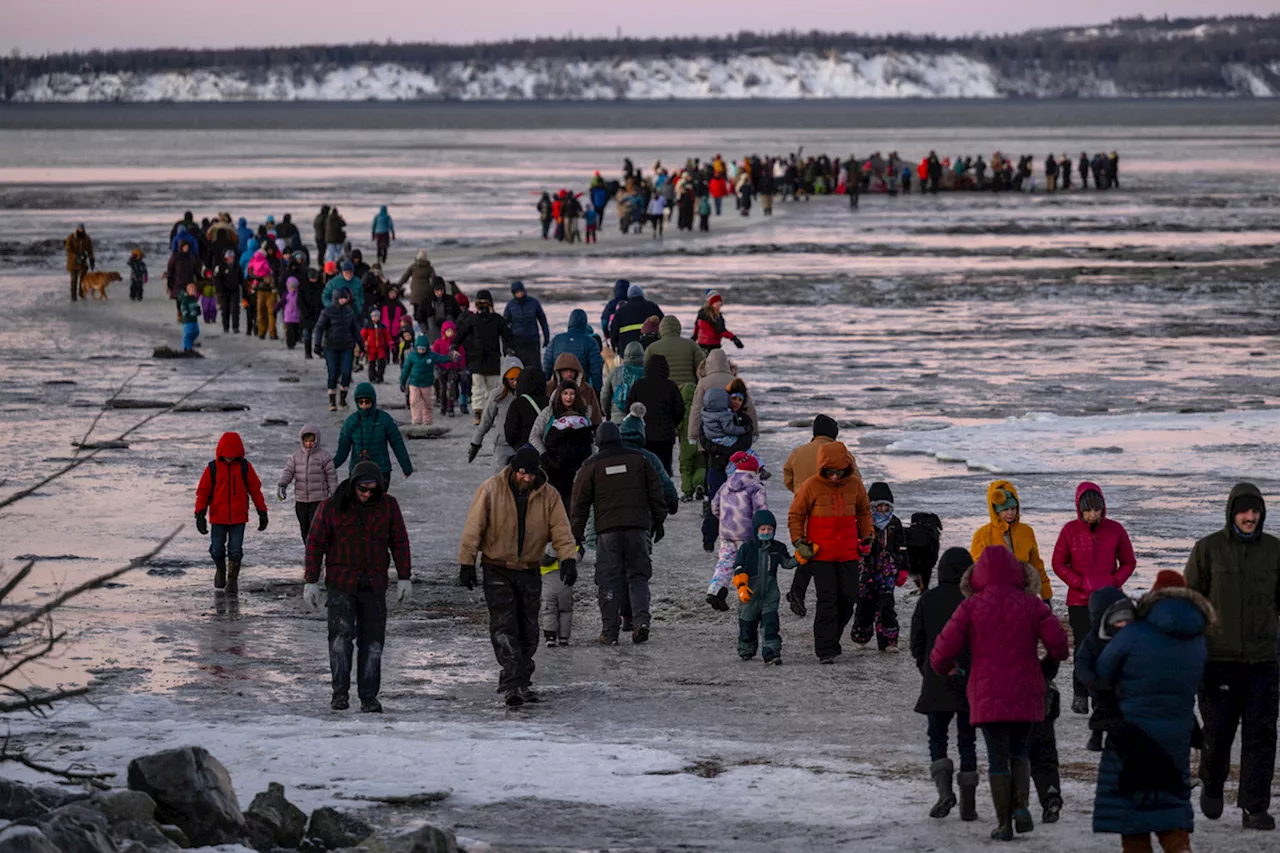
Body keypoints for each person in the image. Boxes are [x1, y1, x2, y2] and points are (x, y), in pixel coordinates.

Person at [931, 546, 1070, 842]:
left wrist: (948, 669)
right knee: (1020, 752)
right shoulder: (1032, 604)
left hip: (987, 692)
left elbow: (941, 653)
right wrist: (1045, 663)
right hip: (1026, 689)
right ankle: (1020, 807)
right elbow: (1059, 644)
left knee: (997, 757)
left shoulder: (970, 606)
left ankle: (1004, 824)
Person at [1092, 570, 1213, 852]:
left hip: (1132, 733)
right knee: (1171, 806)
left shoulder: (1134, 634)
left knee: (1133, 815)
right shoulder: (1198, 639)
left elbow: (1104, 670)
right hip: (1177, 733)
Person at [1184, 482, 1280, 830]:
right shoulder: (1208, 549)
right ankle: (1211, 783)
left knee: (1262, 735)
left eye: (1255, 511)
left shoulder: (1275, 550)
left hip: (1264, 661)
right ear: (1232, 513)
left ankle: (1254, 807)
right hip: (1218, 660)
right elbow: (1190, 603)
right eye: (1244, 511)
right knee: (1218, 732)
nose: (1250, 517)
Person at [459, 446, 578, 706]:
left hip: (529, 569)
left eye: (532, 474)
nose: (527, 479)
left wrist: (568, 558)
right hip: (496, 566)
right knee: (504, 626)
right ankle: (514, 684)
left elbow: (560, 528)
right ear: (514, 470)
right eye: (523, 473)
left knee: (529, 630)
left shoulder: (549, 495)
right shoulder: (490, 489)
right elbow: (473, 527)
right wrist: (466, 562)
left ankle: (521, 679)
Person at [303, 460, 411, 713]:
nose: (366, 494)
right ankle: (340, 693)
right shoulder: (331, 507)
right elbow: (315, 543)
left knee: (373, 644)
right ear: (353, 485)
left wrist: (404, 576)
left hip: (374, 584)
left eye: (372, 489)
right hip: (341, 584)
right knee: (340, 641)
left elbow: (400, 541)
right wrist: (311, 580)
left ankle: (369, 697)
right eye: (362, 489)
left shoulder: (388, 506)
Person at [570, 422, 667, 646]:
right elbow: (656, 491)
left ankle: (610, 631)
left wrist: (576, 534)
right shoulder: (639, 459)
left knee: (608, 580)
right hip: (637, 529)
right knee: (638, 577)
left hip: (608, 532)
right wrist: (658, 521)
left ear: (598, 441)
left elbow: (579, 504)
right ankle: (641, 621)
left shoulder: (590, 465)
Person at [1051, 482, 1137, 715]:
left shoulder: (1116, 529)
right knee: (1082, 646)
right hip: (1079, 601)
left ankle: (1107, 695)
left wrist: (1113, 582)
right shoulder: (1069, 530)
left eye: (1096, 510)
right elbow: (1058, 563)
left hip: (1110, 601)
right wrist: (1079, 582)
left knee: (1110, 646)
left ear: (1103, 508)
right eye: (1087, 510)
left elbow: (1129, 562)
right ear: (1079, 509)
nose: (1092, 515)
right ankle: (1080, 694)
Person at [787, 441, 873, 664]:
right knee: (828, 601)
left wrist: (867, 535)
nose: (835, 476)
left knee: (849, 599)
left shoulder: (855, 485)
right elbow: (796, 515)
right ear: (822, 468)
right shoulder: (811, 486)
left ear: (847, 467)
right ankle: (825, 650)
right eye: (830, 471)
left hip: (848, 553)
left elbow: (864, 511)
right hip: (821, 554)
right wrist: (799, 541)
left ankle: (832, 639)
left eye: (839, 471)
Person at [911, 547, 979, 822]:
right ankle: (968, 805)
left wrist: (926, 668)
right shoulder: (975, 600)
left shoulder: (927, 600)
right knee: (968, 741)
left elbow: (917, 642)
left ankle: (944, 792)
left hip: (937, 679)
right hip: (969, 680)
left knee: (937, 737)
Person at [782, 415, 851, 616]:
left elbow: (788, 478)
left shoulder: (798, 452)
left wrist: (799, 493)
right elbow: (855, 482)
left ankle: (797, 591)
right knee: (825, 555)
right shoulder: (842, 455)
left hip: (803, 512)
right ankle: (812, 594)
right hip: (831, 513)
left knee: (810, 550)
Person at [194, 432, 269, 596]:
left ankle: (232, 579)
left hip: (238, 517)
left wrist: (262, 511)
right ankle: (220, 569)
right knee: (216, 549)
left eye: (233, 456)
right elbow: (203, 492)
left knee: (235, 550)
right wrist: (200, 514)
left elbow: (255, 490)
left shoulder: (244, 467)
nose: (229, 459)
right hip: (218, 517)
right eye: (227, 456)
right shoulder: (212, 468)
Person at [644, 315, 705, 498]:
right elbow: (703, 368)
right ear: (678, 328)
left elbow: (646, 375)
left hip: (662, 402)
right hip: (688, 397)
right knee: (690, 444)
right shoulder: (692, 346)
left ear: (661, 330)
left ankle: (665, 483)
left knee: (664, 446)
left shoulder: (652, 348)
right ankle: (695, 481)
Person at [730, 510, 796, 664]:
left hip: (769, 594)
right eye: (763, 529)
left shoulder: (778, 548)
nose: (766, 532)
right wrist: (741, 586)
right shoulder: (747, 548)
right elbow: (739, 568)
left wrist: (800, 558)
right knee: (748, 625)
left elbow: (786, 563)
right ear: (756, 530)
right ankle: (746, 648)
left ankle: (771, 652)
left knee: (771, 625)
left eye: (769, 529)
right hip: (750, 594)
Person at [851, 482, 910, 652]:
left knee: (886, 605)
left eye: (886, 506)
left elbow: (902, 547)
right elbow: (855, 544)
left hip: (888, 571)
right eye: (878, 506)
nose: (883, 509)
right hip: (867, 570)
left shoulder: (895, 523)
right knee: (865, 604)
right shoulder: (863, 522)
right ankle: (861, 635)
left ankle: (889, 641)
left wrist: (904, 568)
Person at [971, 480, 1052, 601]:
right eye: (1005, 509)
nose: (1010, 513)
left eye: (1013, 508)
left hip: (1024, 594)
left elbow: (1037, 565)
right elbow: (976, 570)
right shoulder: (983, 534)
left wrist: (1046, 595)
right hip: (995, 598)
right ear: (996, 511)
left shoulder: (1027, 531)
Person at [707, 452, 768, 611]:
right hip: (747, 534)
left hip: (726, 532)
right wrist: (763, 531)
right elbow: (761, 512)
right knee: (749, 565)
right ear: (754, 470)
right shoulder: (756, 487)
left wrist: (724, 520)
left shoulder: (725, 484)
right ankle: (749, 596)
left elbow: (714, 506)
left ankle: (715, 591)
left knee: (725, 563)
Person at [454, 289, 514, 426]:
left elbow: (507, 335)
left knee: (492, 389)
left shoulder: (498, 320)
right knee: (477, 388)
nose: (483, 306)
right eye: (480, 303)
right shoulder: (472, 319)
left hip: (492, 359)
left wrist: (508, 348)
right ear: (476, 304)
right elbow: (461, 334)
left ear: (491, 304)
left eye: (485, 303)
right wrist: (454, 346)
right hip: (476, 360)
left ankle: (490, 414)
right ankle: (478, 413)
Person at [334, 383, 413, 487]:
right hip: (358, 470)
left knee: (379, 502)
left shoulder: (384, 419)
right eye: (360, 402)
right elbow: (343, 450)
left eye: (367, 402)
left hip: (381, 470)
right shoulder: (350, 422)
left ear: (373, 401)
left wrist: (406, 467)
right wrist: (330, 466)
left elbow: (397, 444)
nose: (364, 406)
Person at [624, 354, 684, 475]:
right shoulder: (671, 386)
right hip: (665, 436)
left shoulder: (638, 385)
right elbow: (680, 410)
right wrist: (671, 424)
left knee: (644, 470)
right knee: (664, 470)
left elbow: (629, 409)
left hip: (643, 434)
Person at [278, 424, 338, 542]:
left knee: (316, 527)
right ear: (302, 440)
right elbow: (288, 472)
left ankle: (319, 550)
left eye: (312, 440)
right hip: (301, 500)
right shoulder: (295, 457)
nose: (309, 443)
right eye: (306, 441)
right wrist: (283, 484)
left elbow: (331, 477)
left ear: (317, 440)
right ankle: (309, 551)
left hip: (318, 500)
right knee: (304, 528)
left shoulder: (324, 456)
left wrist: (334, 494)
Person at [469, 356, 524, 471]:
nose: (514, 383)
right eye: (511, 379)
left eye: (517, 379)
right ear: (505, 378)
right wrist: (475, 443)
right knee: (499, 482)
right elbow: (486, 421)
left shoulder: (527, 394)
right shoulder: (497, 395)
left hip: (523, 444)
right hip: (503, 445)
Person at [313, 287, 364, 411]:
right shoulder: (327, 312)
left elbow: (355, 329)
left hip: (347, 346)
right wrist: (317, 344)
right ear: (335, 299)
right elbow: (319, 328)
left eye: (345, 298)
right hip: (330, 347)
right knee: (333, 374)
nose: (343, 300)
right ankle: (332, 402)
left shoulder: (349, 312)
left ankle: (342, 399)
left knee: (346, 373)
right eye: (341, 298)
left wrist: (361, 344)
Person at [542, 309, 604, 392]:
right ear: (585, 323)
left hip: (559, 387)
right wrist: (597, 391)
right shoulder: (590, 342)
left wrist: (545, 387)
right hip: (581, 388)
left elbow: (547, 366)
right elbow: (596, 370)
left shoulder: (556, 340)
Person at [539, 353, 603, 430]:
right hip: (554, 433)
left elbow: (595, 417)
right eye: (565, 371)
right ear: (559, 372)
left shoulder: (586, 389)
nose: (569, 374)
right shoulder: (549, 387)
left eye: (572, 371)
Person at [503, 282, 550, 372]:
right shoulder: (510, 305)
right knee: (520, 368)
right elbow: (505, 326)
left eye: (521, 291)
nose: (519, 293)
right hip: (517, 342)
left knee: (535, 367)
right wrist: (506, 345)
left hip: (533, 341)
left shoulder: (533, 303)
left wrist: (546, 337)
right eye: (517, 292)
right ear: (513, 293)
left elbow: (543, 321)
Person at [503, 367, 550, 452]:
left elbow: (510, 432)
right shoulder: (550, 402)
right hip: (546, 451)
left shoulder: (517, 403)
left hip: (525, 451)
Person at [608, 284, 663, 354]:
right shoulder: (653, 307)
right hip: (650, 348)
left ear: (628, 296)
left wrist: (615, 347)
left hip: (626, 350)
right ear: (642, 294)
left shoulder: (621, 311)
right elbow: (664, 325)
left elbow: (613, 332)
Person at [602, 342, 646, 424]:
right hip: (641, 421)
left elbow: (605, 396)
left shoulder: (616, 372)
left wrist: (608, 413)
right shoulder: (647, 373)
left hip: (618, 420)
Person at [415, 277, 460, 344]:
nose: (439, 293)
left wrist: (455, 327)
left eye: (441, 290)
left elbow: (459, 315)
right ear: (433, 290)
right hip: (432, 336)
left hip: (449, 335)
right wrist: (425, 331)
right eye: (437, 290)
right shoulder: (426, 302)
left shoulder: (450, 300)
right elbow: (420, 318)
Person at [212, 250, 242, 333]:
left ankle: (235, 327)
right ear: (226, 258)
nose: (231, 259)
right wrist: (219, 290)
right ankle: (226, 327)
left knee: (235, 308)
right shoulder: (221, 267)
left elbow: (241, 278)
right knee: (225, 309)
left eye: (232, 257)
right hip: (224, 291)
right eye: (229, 257)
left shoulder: (237, 266)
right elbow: (216, 279)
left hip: (234, 290)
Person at [64, 223, 95, 303]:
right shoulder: (71, 237)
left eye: (82, 229)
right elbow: (68, 248)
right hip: (73, 263)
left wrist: (91, 259)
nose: (81, 230)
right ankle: (73, 297)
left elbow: (90, 250)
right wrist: (76, 255)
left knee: (83, 280)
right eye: (80, 229)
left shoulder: (87, 238)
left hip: (82, 263)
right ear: (77, 229)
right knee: (74, 280)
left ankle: (82, 294)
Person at [361, 307, 393, 384]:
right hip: (371, 348)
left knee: (382, 363)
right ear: (371, 317)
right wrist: (361, 346)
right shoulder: (367, 326)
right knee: (371, 364)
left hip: (380, 347)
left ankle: (380, 376)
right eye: (374, 316)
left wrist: (390, 342)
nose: (376, 318)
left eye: (377, 316)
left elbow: (387, 335)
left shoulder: (382, 326)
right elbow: (362, 336)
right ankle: (372, 377)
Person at [177, 282, 201, 352]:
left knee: (196, 332)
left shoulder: (194, 299)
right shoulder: (185, 299)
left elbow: (196, 307)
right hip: (187, 320)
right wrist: (186, 314)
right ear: (188, 291)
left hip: (194, 319)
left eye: (194, 290)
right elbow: (183, 307)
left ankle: (190, 342)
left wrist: (198, 311)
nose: (193, 292)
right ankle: (186, 348)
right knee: (188, 333)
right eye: (192, 290)